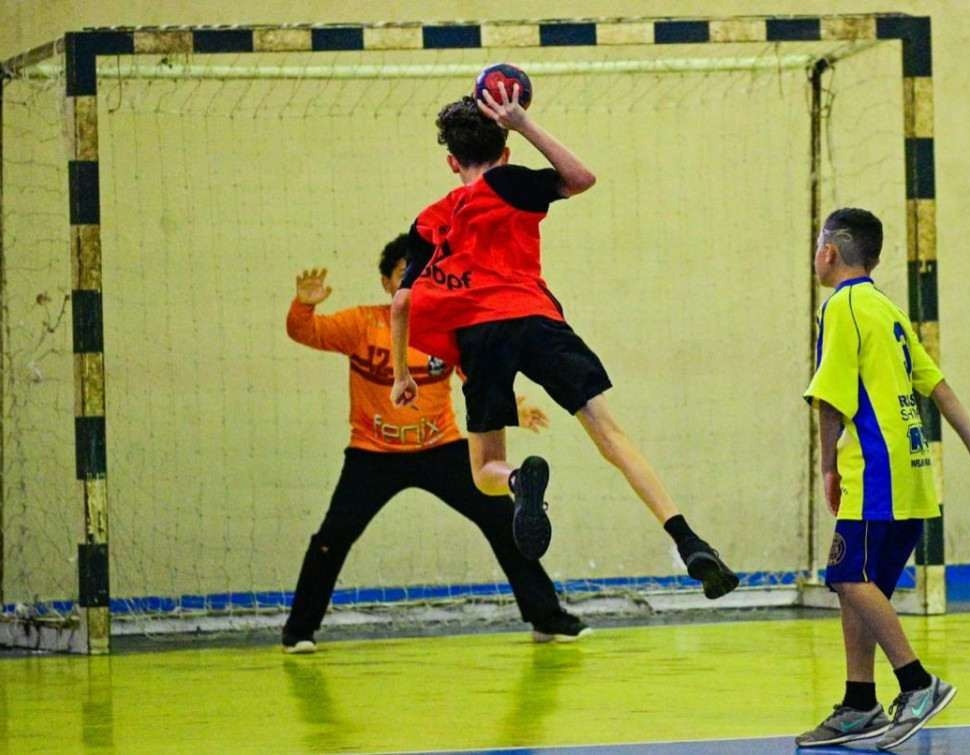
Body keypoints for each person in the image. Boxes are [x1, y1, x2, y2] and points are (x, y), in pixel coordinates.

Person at [387, 83, 738, 600]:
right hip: (535, 319)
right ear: (503, 151)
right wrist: (524, 123)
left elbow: (401, 303)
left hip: (481, 336)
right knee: (610, 434)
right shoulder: (510, 182)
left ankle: (516, 482)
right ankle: (687, 538)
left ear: (450, 162)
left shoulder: (430, 219)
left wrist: (400, 375)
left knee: (484, 467)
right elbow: (582, 178)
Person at [280, 234, 589, 654]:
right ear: (387, 283)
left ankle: (547, 618)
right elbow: (305, 331)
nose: (410, 280)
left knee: (504, 520)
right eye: (401, 274)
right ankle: (299, 630)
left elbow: (476, 379)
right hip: (373, 455)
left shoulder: (445, 328)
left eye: (419, 272)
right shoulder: (360, 324)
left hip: (441, 449)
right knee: (332, 536)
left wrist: (513, 407)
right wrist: (305, 303)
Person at [796, 208, 970, 749]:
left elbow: (830, 396)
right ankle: (859, 702)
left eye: (817, 245)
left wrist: (828, 465)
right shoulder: (887, 310)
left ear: (829, 251)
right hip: (914, 471)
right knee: (859, 586)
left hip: (878, 472)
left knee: (847, 576)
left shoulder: (843, 306)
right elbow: (937, 385)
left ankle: (918, 684)